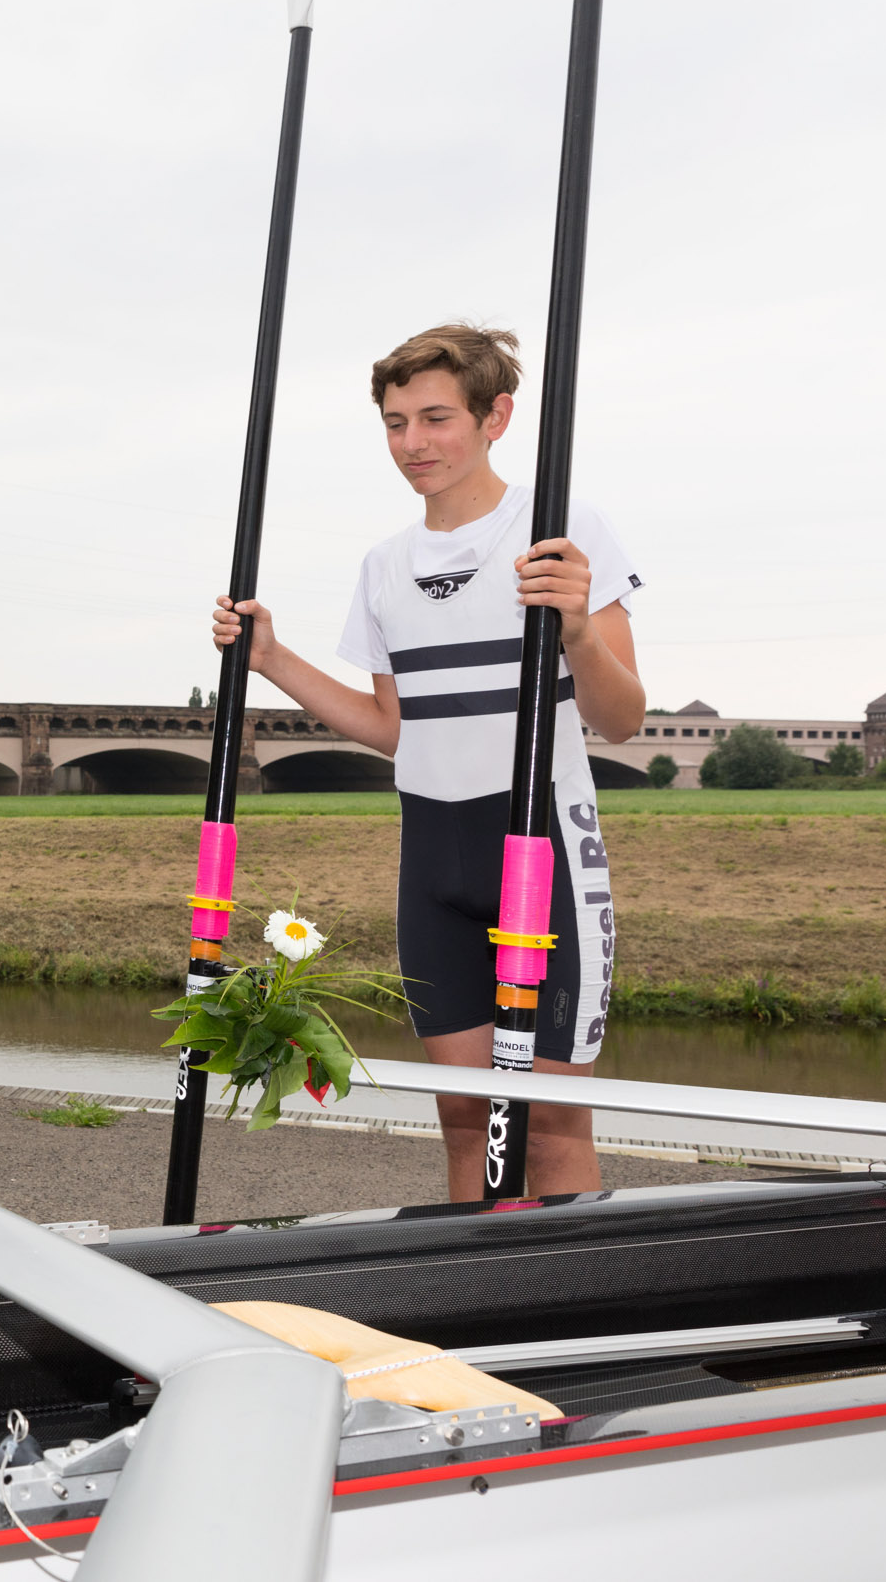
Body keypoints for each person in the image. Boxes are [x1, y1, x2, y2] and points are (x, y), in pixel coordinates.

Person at [211, 324, 645, 1200]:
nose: (414, 443)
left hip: (544, 854)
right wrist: (273, 658)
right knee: (467, 1125)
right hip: (432, 862)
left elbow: (624, 717)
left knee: (553, 1128)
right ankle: (481, 1311)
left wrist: (577, 631)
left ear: (497, 416)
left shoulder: (562, 525)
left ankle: (566, 1310)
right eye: (396, 422)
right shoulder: (384, 565)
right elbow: (391, 727)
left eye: (436, 418)